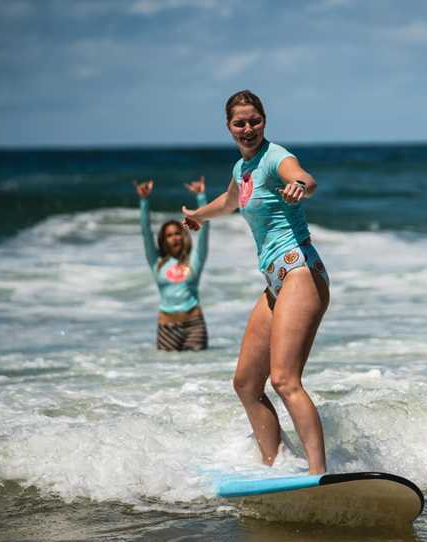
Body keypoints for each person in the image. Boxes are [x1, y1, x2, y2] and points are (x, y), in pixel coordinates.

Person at [181, 90, 330, 474]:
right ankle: (274, 467)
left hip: (300, 271)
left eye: (254, 121)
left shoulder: (275, 157)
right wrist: (199, 214)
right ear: (228, 127)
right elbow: (230, 202)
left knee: (284, 380)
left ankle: (319, 475)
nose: (248, 129)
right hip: (275, 282)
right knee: (247, 384)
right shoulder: (241, 169)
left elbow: (303, 178)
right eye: (239, 123)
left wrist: (301, 187)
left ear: (264, 120)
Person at [135, 177, 210, 351]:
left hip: (194, 326)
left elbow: (205, 230)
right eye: (169, 235)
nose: (174, 237)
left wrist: (200, 197)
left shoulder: (194, 260)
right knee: (167, 374)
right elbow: (145, 232)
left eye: (177, 233)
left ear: (183, 236)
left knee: (200, 372)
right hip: (166, 328)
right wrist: (144, 200)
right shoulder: (157, 262)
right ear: (163, 239)